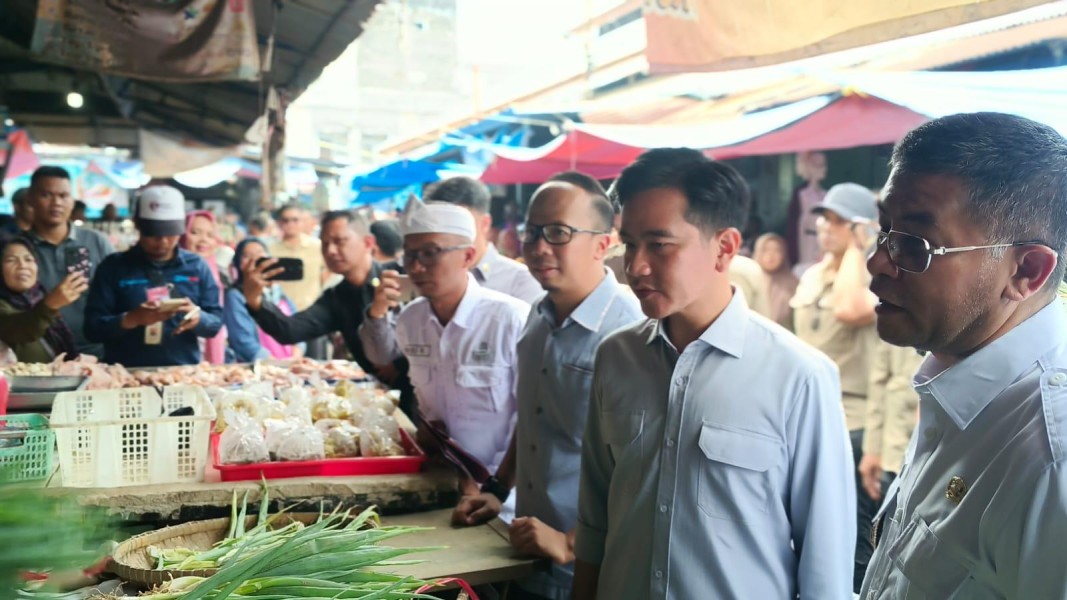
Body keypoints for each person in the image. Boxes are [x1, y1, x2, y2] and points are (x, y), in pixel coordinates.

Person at [572, 148, 855, 600]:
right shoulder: (615, 357)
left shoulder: (799, 376)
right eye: (629, 243)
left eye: (660, 244)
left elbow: (826, 568)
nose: (636, 266)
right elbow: (594, 519)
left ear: (724, 247)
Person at [860, 113, 1067, 598]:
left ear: (1028, 271)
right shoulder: (955, 380)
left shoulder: (1050, 457)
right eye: (884, 231)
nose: (876, 263)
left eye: (915, 244)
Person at [451, 172, 643, 600]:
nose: (538, 247)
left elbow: (646, 466)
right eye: (532, 232)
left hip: (592, 569)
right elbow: (535, 416)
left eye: (558, 233)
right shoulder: (537, 317)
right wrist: (499, 489)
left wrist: (572, 543)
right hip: (527, 551)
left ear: (603, 242)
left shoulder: (629, 333)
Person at [359, 198, 529, 496]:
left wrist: (496, 486)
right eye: (410, 255)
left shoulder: (509, 318)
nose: (416, 266)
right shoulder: (411, 320)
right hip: (440, 481)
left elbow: (529, 418)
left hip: (503, 494)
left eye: (430, 253)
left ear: (468, 256)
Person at [789, 182, 880, 591]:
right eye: (824, 218)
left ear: (861, 228)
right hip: (808, 414)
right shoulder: (812, 275)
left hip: (854, 420)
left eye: (840, 221)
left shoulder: (869, 277)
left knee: (851, 536)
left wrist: (860, 248)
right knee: (809, 530)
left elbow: (848, 309)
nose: (826, 227)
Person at [240, 210, 411, 399]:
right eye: (325, 243)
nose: (330, 251)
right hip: (384, 398)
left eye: (339, 241)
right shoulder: (337, 297)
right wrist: (254, 300)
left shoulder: (400, 276)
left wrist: (401, 364)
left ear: (368, 243)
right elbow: (290, 330)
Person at [84, 185, 223, 367]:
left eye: (170, 233)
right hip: (125, 375)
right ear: (137, 224)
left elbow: (215, 322)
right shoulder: (113, 267)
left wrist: (198, 318)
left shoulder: (196, 267)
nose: (163, 241)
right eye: (154, 233)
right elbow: (92, 329)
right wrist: (131, 319)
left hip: (182, 373)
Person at [22, 166, 115, 359]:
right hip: (37, 357)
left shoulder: (97, 242)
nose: (56, 203)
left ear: (72, 200)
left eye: (64, 195)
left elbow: (116, 294)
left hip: (95, 354)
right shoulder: (16, 249)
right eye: (46, 195)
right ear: (30, 198)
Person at [426, 177, 542, 303]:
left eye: (460, 226)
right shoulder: (428, 277)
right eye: (440, 227)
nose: (448, 236)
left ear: (485, 223)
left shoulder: (521, 281)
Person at [0, 238, 84, 362]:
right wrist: (49, 305)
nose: (22, 265)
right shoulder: (45, 302)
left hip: (57, 379)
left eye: (28, 259)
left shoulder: (39, 296)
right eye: (11, 260)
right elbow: (21, 328)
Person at [857, 344, 923, 503]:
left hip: (933, 455)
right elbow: (879, 383)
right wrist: (872, 449)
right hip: (894, 451)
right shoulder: (894, 324)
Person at [224, 238, 301, 362]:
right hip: (258, 369)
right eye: (247, 256)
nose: (254, 259)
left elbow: (297, 328)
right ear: (238, 264)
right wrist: (274, 363)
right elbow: (243, 341)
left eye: (260, 254)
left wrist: (296, 355)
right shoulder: (235, 296)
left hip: (289, 366)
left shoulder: (279, 292)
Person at [181, 210, 229, 364]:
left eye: (210, 235)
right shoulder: (172, 273)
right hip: (181, 355)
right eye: (195, 232)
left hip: (208, 358)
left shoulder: (216, 272)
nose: (204, 240)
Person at [271, 203, 327, 312]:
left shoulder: (317, 246)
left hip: (311, 309)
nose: (290, 224)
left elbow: (329, 270)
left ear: (302, 222)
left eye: (295, 220)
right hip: (282, 310)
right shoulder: (271, 250)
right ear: (279, 223)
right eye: (286, 220)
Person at [753, 233, 799, 327]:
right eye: (765, 250)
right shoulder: (750, 280)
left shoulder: (793, 283)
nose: (771, 255)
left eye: (777, 251)